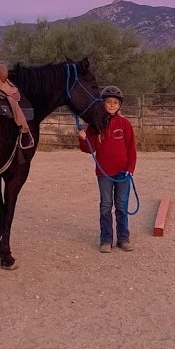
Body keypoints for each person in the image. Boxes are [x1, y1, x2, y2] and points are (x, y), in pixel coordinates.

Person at [78, 85, 137, 253]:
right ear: (103, 103)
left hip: (123, 173)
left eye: (115, 103)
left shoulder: (125, 124)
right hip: (104, 173)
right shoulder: (95, 125)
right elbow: (89, 148)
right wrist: (83, 138)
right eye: (109, 102)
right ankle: (106, 239)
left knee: (121, 205)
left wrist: (130, 169)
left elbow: (131, 148)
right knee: (105, 205)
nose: (112, 105)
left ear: (119, 105)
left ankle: (123, 238)